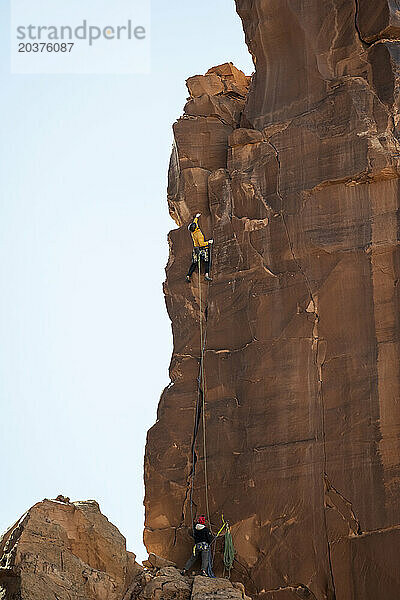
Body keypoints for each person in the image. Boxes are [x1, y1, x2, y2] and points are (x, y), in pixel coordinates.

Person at [186, 213, 213, 282]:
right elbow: (201, 244)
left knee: (194, 263)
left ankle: (188, 275)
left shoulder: (193, 232)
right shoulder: (198, 234)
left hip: (195, 249)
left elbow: (194, 222)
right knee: (207, 261)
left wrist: (196, 217)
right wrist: (209, 242)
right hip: (202, 249)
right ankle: (206, 275)